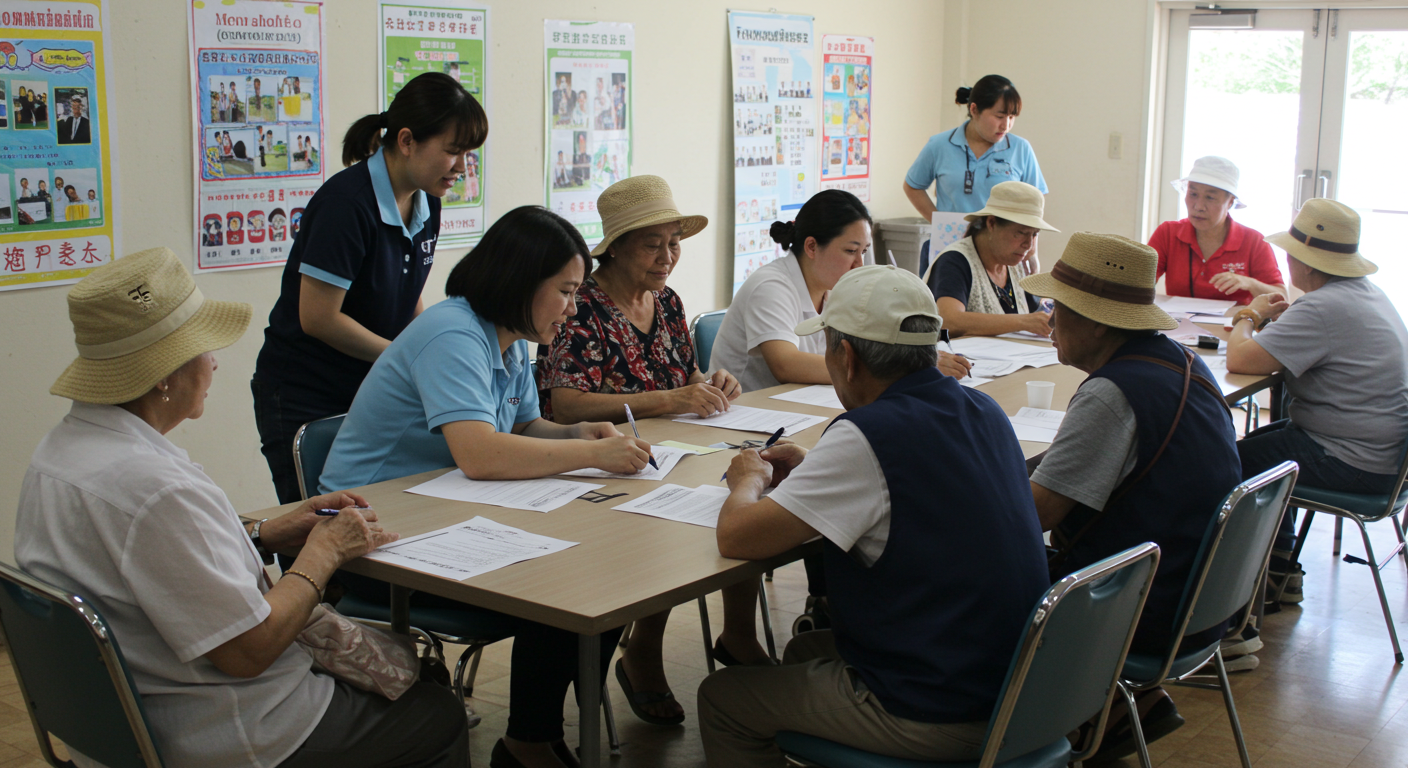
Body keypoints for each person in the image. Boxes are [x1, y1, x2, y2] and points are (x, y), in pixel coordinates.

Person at [17, 247, 468, 768]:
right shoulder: (155, 487)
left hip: (118, 727)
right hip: (231, 732)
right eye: (204, 347)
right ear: (164, 375)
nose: (213, 361)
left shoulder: (58, 455)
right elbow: (248, 651)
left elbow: (154, 566)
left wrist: (263, 535)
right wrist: (322, 553)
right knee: (436, 714)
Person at [319, 206, 638, 768]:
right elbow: (481, 454)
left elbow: (520, 427)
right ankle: (529, 743)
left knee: (602, 574)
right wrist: (592, 454)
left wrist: (575, 431)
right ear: (521, 281)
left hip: (441, 509)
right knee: (563, 586)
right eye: (563, 292)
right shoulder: (453, 333)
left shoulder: (510, 337)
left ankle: (532, 737)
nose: (571, 307)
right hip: (372, 533)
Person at [697, 264, 1050, 767]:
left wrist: (747, 480)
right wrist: (817, 469)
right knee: (804, 654)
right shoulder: (982, 408)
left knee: (724, 699)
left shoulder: (867, 434)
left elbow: (737, 536)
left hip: (942, 707)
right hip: (1020, 683)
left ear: (845, 355)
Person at [536, 176, 758, 727]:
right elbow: (563, 404)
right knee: (667, 531)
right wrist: (671, 397)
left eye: (674, 243)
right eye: (651, 244)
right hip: (595, 466)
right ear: (615, 247)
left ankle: (730, 635)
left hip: (668, 457)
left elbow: (686, 378)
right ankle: (642, 654)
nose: (667, 257)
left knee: (741, 498)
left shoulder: (667, 301)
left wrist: (713, 383)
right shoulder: (580, 305)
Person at [1019, 232, 1242, 757]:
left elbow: (1037, 514)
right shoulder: (1183, 362)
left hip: (1138, 605)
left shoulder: (1112, 393)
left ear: (1096, 320)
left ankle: (1014, 718)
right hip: (1199, 597)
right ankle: (1113, 708)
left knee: (966, 565)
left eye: (1058, 308)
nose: (1049, 320)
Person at [251, 72, 487, 505]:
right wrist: (405, 359)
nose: (461, 168)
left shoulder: (426, 199)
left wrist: (426, 348)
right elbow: (319, 318)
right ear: (406, 140)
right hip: (306, 388)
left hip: (370, 381)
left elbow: (406, 288)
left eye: (468, 155)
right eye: (453, 152)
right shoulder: (347, 204)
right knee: (318, 526)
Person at [1229, 199, 1408, 605]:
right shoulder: (1366, 294)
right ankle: (1280, 570)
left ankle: (1240, 598)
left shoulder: (1323, 307)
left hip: (1351, 462)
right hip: (1385, 459)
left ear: (1306, 264)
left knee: (1224, 463)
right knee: (1266, 446)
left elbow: (1240, 359)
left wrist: (1249, 316)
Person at [710, 189, 971, 393]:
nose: (860, 264)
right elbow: (786, 365)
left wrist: (919, 356)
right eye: (850, 251)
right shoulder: (770, 286)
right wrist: (905, 368)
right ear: (811, 246)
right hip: (751, 417)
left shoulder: (837, 286)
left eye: (864, 252)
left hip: (801, 405)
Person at [904, 75, 1046, 273]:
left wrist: (1031, 251)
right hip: (949, 247)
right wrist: (939, 221)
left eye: (1012, 117)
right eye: (999, 116)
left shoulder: (1020, 149)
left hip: (1001, 253)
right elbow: (913, 186)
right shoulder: (939, 145)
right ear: (974, 110)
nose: (1006, 125)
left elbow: (1035, 203)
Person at [922, 181, 1058, 338]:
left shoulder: (1015, 263)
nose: (1028, 244)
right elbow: (949, 320)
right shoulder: (955, 261)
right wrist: (1024, 322)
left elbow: (1035, 312)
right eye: (1021, 232)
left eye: (1034, 234)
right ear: (992, 223)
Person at [1148, 156, 1284, 306]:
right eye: (1193, 194)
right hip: (1177, 326)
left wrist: (1250, 283)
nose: (1199, 206)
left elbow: (1282, 298)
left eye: (1210, 197)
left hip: (1234, 327)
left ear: (1230, 202)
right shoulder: (1168, 233)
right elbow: (1139, 282)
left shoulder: (1254, 241)